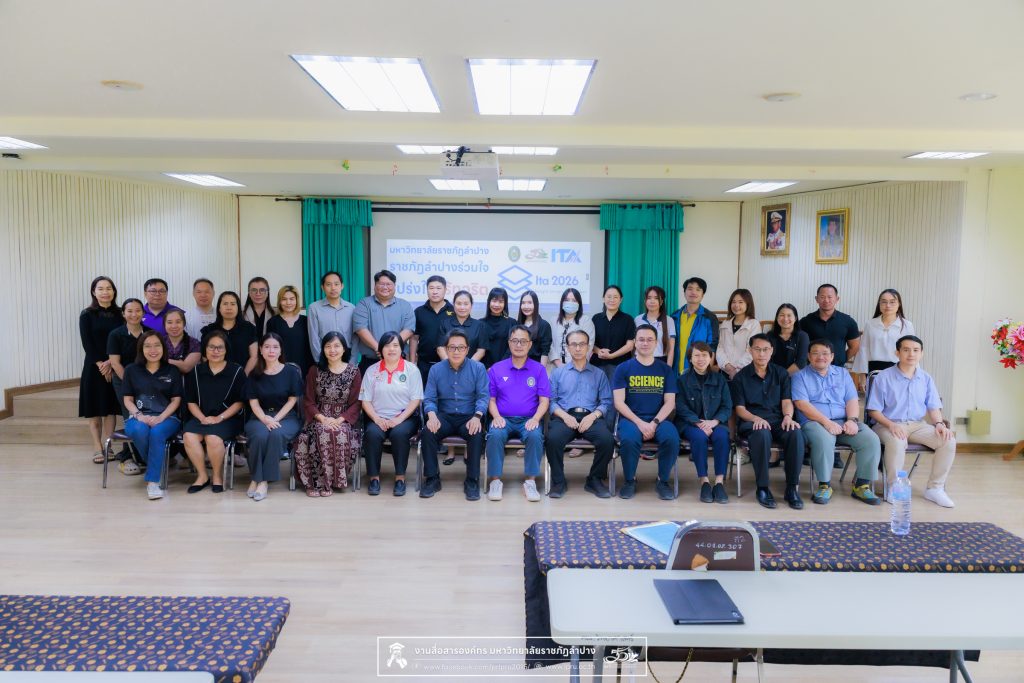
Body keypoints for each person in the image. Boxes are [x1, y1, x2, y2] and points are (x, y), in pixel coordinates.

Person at [866, 335, 956, 508]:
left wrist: (939, 424)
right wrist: (891, 425)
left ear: (921, 353)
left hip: (917, 425)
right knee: (897, 440)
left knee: (948, 440)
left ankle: (935, 488)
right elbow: (873, 410)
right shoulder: (884, 377)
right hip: (887, 424)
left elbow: (933, 407)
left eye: (916, 350)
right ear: (897, 353)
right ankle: (894, 487)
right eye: (906, 350)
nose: (911, 354)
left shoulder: (926, 378)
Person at [792, 339, 881, 505]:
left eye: (825, 353)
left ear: (832, 356)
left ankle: (861, 486)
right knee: (823, 439)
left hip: (843, 421)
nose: (820, 357)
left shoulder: (843, 374)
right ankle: (824, 485)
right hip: (814, 422)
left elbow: (852, 400)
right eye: (815, 353)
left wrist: (852, 420)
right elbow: (802, 404)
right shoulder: (799, 376)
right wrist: (827, 422)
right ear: (808, 356)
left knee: (870, 439)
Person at [732, 334, 805, 509]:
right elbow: (740, 409)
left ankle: (791, 488)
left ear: (771, 351)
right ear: (750, 350)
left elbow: (786, 401)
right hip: (751, 421)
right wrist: (755, 418)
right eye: (757, 349)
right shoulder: (740, 377)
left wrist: (788, 417)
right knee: (762, 433)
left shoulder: (781, 373)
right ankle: (763, 488)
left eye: (765, 349)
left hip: (778, 420)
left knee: (795, 433)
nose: (761, 354)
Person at [419, 329, 490, 500]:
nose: (456, 351)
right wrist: (432, 416)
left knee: (476, 433)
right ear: (446, 349)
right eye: (452, 347)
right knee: (428, 432)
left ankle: (472, 481)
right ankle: (432, 479)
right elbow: (429, 398)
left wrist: (477, 417)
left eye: (461, 347)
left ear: (467, 350)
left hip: (469, 416)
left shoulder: (478, 368)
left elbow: (483, 396)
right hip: (444, 416)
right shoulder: (436, 369)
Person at [612, 324, 680, 500]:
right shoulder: (623, 368)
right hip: (631, 419)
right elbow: (618, 402)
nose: (645, 343)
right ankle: (630, 481)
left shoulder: (665, 370)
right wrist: (640, 423)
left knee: (672, 438)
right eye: (641, 339)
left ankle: (662, 481)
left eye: (650, 339)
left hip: (659, 419)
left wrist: (654, 423)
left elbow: (670, 402)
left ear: (656, 343)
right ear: (635, 342)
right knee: (628, 439)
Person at [545, 329, 615, 498]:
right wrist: (565, 416)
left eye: (582, 344)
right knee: (552, 439)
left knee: (607, 440)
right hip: (564, 416)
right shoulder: (558, 373)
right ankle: (558, 481)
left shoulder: (599, 374)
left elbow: (606, 402)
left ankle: (594, 479)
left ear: (588, 347)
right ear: (568, 347)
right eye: (574, 344)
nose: (578, 348)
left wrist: (592, 416)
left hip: (591, 417)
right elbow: (551, 401)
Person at [485, 325, 551, 502]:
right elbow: (490, 400)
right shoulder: (497, 369)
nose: (519, 345)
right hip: (503, 419)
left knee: (535, 436)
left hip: (528, 419)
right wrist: (496, 417)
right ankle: (495, 481)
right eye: (515, 341)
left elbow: (544, 401)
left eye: (523, 341)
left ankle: (530, 482)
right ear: (509, 343)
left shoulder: (539, 370)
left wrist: (536, 419)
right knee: (494, 435)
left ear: (530, 344)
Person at [293, 332, 363, 497]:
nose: (332, 350)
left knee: (337, 432)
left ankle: (332, 482)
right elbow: (308, 400)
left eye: (337, 346)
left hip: (343, 420)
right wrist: (322, 418)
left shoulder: (354, 372)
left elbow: (357, 403)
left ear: (344, 349)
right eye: (328, 346)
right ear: (323, 349)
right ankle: (317, 483)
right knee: (321, 431)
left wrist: (339, 420)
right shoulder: (315, 370)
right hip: (318, 418)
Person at [182, 330, 247, 494]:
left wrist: (219, 417)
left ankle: (217, 476)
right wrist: (202, 418)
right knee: (189, 436)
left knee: (213, 438)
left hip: (228, 418)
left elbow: (240, 402)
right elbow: (190, 401)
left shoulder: (236, 371)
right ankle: (202, 476)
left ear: (226, 350)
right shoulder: (196, 372)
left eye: (220, 347)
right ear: (205, 349)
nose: (215, 351)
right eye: (211, 347)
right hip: (201, 417)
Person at [359, 332, 423, 497]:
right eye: (387, 345)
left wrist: (398, 419)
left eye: (395, 345)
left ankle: (400, 478)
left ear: (402, 349)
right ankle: (374, 478)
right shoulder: (371, 370)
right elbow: (365, 400)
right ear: (381, 349)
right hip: (377, 417)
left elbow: (415, 399)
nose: (391, 349)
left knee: (399, 434)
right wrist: (377, 418)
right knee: (372, 434)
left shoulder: (411, 370)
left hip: (405, 417)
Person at [121, 330, 182, 500]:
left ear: (163, 348)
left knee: (156, 432)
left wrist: (161, 417)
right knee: (138, 430)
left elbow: (176, 400)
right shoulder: (131, 370)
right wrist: (139, 415)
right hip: (138, 416)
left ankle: (153, 482)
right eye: (147, 346)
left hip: (167, 417)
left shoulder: (172, 370)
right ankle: (156, 467)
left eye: (157, 345)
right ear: (141, 349)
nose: (153, 350)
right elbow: (127, 400)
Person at [242, 333, 303, 502]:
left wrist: (275, 419)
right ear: (261, 350)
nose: (271, 351)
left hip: (286, 416)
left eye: (275, 347)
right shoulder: (254, 374)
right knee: (259, 435)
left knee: (276, 434)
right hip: (259, 416)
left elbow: (292, 400)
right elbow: (253, 403)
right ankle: (257, 479)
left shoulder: (291, 372)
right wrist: (264, 419)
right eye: (267, 347)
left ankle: (262, 481)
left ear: (280, 350)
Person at [675, 342, 732, 504]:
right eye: (696, 355)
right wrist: (698, 422)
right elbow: (680, 406)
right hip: (690, 423)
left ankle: (719, 482)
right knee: (699, 437)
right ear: (690, 359)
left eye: (704, 355)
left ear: (711, 357)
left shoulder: (720, 379)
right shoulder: (682, 380)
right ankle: (704, 481)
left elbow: (727, 406)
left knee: (722, 437)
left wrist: (714, 422)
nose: (701, 359)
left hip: (715, 422)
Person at [79, 276, 123, 463]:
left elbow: (122, 340)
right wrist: (101, 364)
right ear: (93, 292)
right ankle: (97, 447)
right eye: (101, 288)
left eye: (109, 288)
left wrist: (111, 363)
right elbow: (87, 343)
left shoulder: (121, 314)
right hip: (94, 366)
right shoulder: (86, 314)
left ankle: (108, 444)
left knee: (110, 408)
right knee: (94, 408)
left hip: (114, 364)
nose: (105, 292)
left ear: (114, 291)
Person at [107, 299, 152, 464]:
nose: (134, 314)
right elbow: (115, 363)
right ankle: (131, 456)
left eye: (138, 310)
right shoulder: (115, 334)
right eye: (130, 311)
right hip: (123, 381)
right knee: (131, 416)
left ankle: (145, 455)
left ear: (143, 313)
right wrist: (131, 384)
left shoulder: (150, 333)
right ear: (123, 313)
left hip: (148, 381)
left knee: (148, 414)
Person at [352, 269, 416, 374]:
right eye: (381, 284)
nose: (385, 287)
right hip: (370, 361)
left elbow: (409, 330)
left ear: (394, 286)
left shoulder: (405, 306)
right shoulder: (364, 304)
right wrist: (379, 348)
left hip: (399, 361)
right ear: (375, 285)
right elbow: (360, 329)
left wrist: (391, 348)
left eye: (388, 284)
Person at [591, 285, 636, 427]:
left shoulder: (627, 319)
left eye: (615, 297)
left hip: (619, 366)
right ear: (603, 298)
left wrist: (612, 356)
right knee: (595, 397)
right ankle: (594, 428)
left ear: (621, 300)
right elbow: (590, 342)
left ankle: (609, 431)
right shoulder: (596, 319)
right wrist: (598, 351)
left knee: (612, 399)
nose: (612, 299)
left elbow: (630, 345)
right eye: (608, 296)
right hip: (597, 365)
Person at [853, 289, 916, 391]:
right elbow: (863, 350)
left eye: (892, 302)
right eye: (884, 302)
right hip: (874, 371)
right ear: (879, 304)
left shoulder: (907, 325)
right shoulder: (870, 324)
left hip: (899, 371)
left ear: (899, 304)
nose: (888, 305)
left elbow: (912, 351)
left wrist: (913, 374)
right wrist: (862, 376)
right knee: (874, 401)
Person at [799, 284, 860, 368]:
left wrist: (842, 359)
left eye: (830, 297)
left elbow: (855, 347)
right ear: (816, 299)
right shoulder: (806, 321)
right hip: (812, 368)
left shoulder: (848, 321)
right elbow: (800, 345)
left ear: (837, 299)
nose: (826, 300)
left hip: (838, 368)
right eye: (822, 297)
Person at [201, 291, 258, 375]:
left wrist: (242, 376)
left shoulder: (249, 328)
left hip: (243, 376)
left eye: (233, 304)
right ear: (219, 308)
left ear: (238, 308)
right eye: (225, 304)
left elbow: (254, 356)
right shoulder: (209, 330)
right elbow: (205, 356)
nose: (229, 307)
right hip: (216, 377)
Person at [410, 275, 454, 383]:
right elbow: (414, 338)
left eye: (438, 288)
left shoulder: (454, 311)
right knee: (424, 392)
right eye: (431, 288)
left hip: (448, 363)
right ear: (427, 290)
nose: (435, 292)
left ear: (445, 290)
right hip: (424, 364)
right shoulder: (419, 311)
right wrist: (412, 363)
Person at [670, 277, 720, 371]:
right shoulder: (674, 316)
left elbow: (712, 347)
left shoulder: (710, 318)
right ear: (684, 292)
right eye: (690, 289)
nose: (693, 292)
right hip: (675, 370)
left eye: (698, 289)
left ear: (702, 294)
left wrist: (706, 372)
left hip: (698, 371)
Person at [267, 285, 314, 376]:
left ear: (297, 301)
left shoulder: (306, 321)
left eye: (292, 299)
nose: (288, 302)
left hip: (304, 369)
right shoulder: (272, 322)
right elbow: (270, 348)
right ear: (279, 301)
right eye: (284, 299)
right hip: (279, 370)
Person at [307, 271, 355, 361]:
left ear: (342, 286)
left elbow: (355, 336)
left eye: (336, 284)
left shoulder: (351, 308)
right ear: (322, 287)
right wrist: (319, 361)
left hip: (346, 355)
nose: (333, 288)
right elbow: (314, 338)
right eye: (328, 284)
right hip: (324, 355)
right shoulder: (314, 308)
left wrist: (353, 360)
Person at [716, 288, 761, 381]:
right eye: (733, 302)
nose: (736, 305)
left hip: (745, 372)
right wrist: (727, 366)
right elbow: (720, 348)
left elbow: (752, 350)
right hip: (725, 371)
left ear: (748, 304)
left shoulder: (754, 324)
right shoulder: (725, 324)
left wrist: (736, 370)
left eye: (741, 302)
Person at [437, 290, 488, 363]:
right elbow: (440, 348)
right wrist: (450, 365)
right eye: (459, 303)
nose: (462, 307)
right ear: (453, 305)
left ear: (471, 305)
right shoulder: (444, 323)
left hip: (471, 367)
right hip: (448, 366)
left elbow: (481, 350)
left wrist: (468, 366)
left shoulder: (479, 325)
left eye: (466, 304)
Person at [549, 287, 595, 367]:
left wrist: (573, 366)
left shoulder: (586, 321)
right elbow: (549, 344)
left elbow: (589, 344)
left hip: (578, 367)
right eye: (567, 300)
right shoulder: (553, 320)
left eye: (574, 300)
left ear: (579, 304)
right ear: (562, 302)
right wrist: (558, 363)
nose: (570, 303)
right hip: (555, 367)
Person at [635, 285, 676, 363]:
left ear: (661, 302)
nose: (652, 301)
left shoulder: (669, 320)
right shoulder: (638, 319)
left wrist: (668, 368)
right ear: (645, 301)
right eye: (649, 298)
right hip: (639, 360)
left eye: (656, 298)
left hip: (660, 361)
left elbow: (671, 349)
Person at [767, 303, 809, 374]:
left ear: (795, 318)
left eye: (789, 315)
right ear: (777, 318)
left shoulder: (802, 336)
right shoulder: (770, 335)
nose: (785, 319)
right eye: (782, 315)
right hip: (773, 375)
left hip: (795, 375)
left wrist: (783, 376)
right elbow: (766, 358)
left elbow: (801, 362)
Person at [480, 287, 513, 368]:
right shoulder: (480, 323)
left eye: (501, 301)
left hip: (505, 367)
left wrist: (498, 367)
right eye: (494, 301)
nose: (497, 305)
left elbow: (511, 348)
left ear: (505, 304)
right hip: (484, 369)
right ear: (489, 302)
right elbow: (479, 349)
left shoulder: (512, 323)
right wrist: (486, 368)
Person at [517, 290, 552, 365]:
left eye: (530, 303)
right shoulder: (517, 325)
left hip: (535, 367)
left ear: (536, 304)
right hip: (518, 366)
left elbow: (545, 352)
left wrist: (541, 370)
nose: (526, 306)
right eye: (523, 303)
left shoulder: (544, 325)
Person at [163, 309, 201, 377]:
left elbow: (186, 367)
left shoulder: (194, 343)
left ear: (184, 324)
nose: (174, 326)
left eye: (178, 322)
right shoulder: (159, 342)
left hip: (188, 382)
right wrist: (179, 363)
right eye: (169, 322)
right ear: (164, 325)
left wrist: (162, 361)